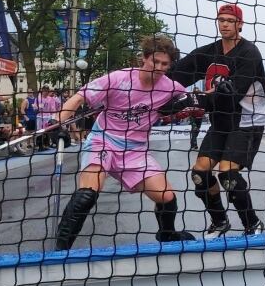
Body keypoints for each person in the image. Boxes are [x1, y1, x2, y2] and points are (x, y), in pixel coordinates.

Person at [53, 35, 195, 250]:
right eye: (155, 61)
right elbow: (78, 98)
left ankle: (166, 235)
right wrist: (58, 123)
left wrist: (216, 94)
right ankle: (61, 250)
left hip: (135, 151)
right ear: (144, 59)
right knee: (87, 194)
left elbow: (197, 99)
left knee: (167, 197)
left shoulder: (170, 87)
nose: (159, 67)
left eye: (165, 64)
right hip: (104, 142)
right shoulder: (118, 79)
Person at [167, 3, 265, 237]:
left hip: (245, 122)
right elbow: (177, 75)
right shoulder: (209, 52)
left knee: (228, 175)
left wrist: (193, 101)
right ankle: (219, 221)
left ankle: (252, 224)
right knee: (200, 173)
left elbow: (231, 93)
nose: (224, 24)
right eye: (221, 19)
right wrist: (156, 88)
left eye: (230, 20)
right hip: (221, 123)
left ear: (240, 25)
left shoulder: (249, 53)